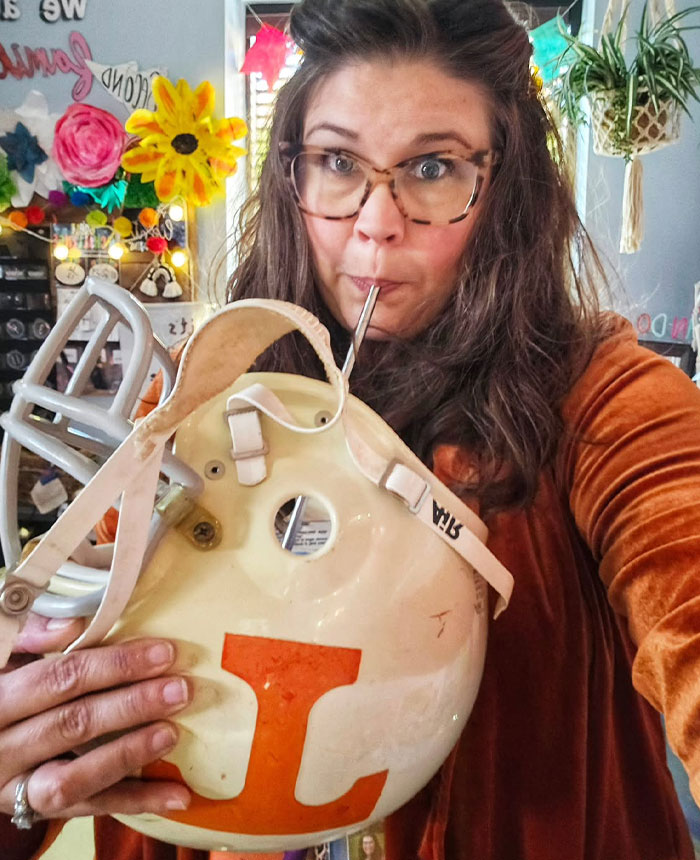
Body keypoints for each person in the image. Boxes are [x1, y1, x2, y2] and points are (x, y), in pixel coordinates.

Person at [1, 0, 699, 858]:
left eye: (433, 167)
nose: (375, 222)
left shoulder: (602, 403)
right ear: (292, 173)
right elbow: (68, 719)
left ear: (506, 191)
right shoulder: (194, 416)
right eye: (338, 161)